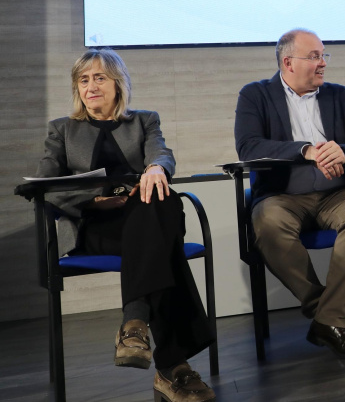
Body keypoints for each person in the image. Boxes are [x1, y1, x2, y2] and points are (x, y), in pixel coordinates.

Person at [35, 48, 215, 402]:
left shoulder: (144, 120)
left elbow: (161, 153)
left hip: (145, 219)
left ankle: (134, 327)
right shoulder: (63, 129)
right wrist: (93, 201)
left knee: (158, 197)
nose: (91, 86)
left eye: (99, 77)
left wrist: (156, 169)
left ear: (118, 83)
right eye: (83, 80)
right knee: (163, 245)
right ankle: (173, 369)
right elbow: (43, 186)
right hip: (96, 227)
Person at [234, 29, 345, 359]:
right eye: (314, 56)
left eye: (323, 55)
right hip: (282, 196)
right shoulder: (255, 95)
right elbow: (249, 147)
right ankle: (330, 317)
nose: (322, 63)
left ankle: (328, 319)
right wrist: (306, 151)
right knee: (267, 222)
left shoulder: (341, 96)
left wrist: (344, 152)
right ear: (288, 62)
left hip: (337, 194)